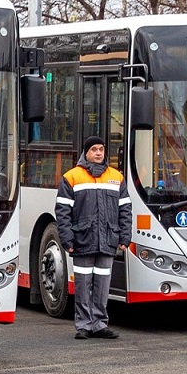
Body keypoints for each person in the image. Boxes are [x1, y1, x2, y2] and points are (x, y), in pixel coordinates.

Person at [56, 136, 129, 339]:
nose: (99, 153)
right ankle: (84, 325)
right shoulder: (71, 177)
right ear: (86, 153)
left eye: (102, 149)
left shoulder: (117, 177)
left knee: (102, 284)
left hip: (107, 240)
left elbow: (125, 210)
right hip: (83, 239)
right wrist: (67, 239)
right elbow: (62, 212)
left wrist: (125, 237)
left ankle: (99, 324)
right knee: (83, 283)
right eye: (94, 150)